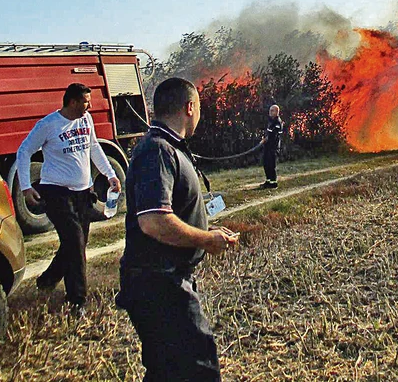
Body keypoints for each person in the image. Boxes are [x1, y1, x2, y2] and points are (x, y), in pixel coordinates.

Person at [116, 77, 238, 382]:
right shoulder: (157, 151)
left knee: (166, 371)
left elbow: (170, 212)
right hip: (159, 283)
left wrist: (205, 226)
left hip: (163, 280)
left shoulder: (168, 147)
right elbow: (154, 221)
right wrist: (206, 239)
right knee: (198, 370)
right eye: (199, 108)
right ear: (190, 107)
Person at [16, 82, 121, 309]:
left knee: (76, 243)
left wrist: (110, 175)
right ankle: (77, 301)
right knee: (74, 241)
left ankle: (47, 280)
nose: (89, 107)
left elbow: (94, 147)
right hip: (56, 192)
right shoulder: (49, 125)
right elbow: (23, 151)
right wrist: (26, 186)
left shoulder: (86, 120)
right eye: (85, 102)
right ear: (72, 102)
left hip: (83, 192)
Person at [259, 104, 283, 189]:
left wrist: (265, 139)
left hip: (273, 148)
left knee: (271, 165)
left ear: (277, 112)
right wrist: (264, 138)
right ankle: (268, 181)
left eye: (272, 110)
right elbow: (268, 132)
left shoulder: (277, 122)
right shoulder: (271, 121)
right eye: (270, 110)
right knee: (266, 164)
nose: (270, 112)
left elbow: (273, 135)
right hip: (267, 147)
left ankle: (273, 183)